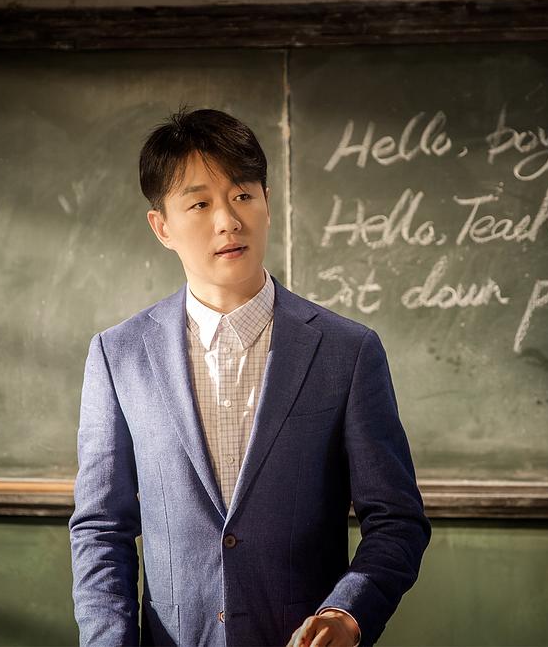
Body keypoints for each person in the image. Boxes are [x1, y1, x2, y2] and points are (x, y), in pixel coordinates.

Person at [69, 108, 430, 647]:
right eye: (200, 204)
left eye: (242, 195)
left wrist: (347, 613)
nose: (228, 221)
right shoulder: (118, 356)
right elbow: (101, 529)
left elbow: (397, 520)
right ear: (162, 226)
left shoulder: (347, 351)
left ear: (267, 203)